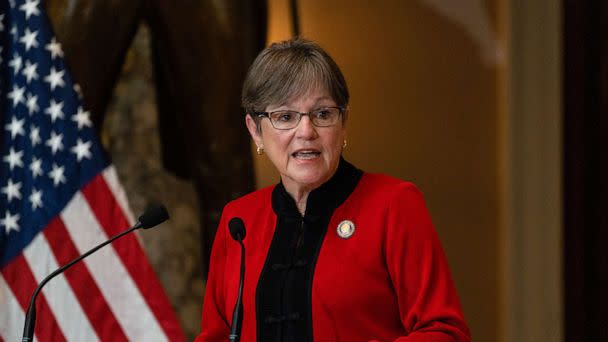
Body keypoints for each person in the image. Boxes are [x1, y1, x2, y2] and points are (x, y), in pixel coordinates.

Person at [195, 38, 471, 341]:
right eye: (285, 117)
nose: (306, 132)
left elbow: (446, 333)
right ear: (255, 131)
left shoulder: (394, 204)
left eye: (323, 114)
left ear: (344, 123)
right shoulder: (239, 220)